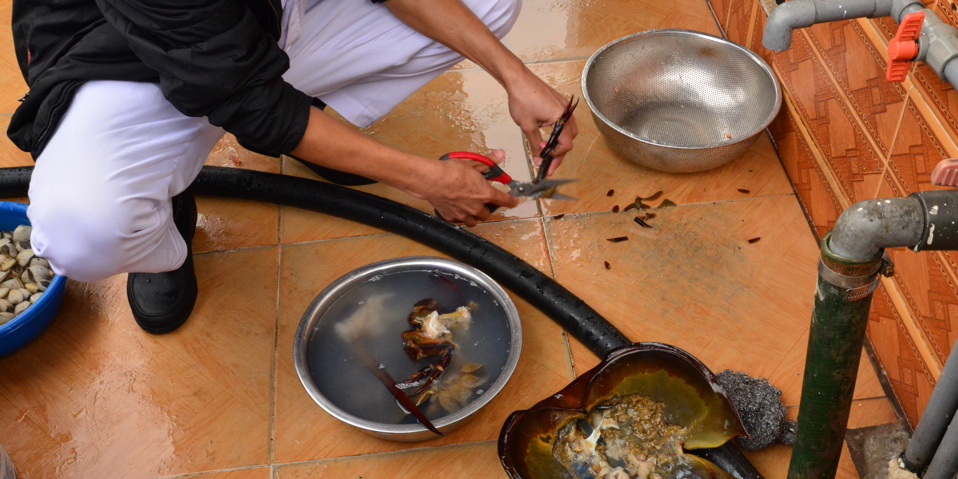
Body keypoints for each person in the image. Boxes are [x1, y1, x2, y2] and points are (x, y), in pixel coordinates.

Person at [8, 0, 577, 333]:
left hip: (259, 20)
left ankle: (321, 129)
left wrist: (514, 76)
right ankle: (160, 212)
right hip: (118, 65)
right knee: (84, 230)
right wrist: (429, 179)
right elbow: (246, 96)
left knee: (488, 4)